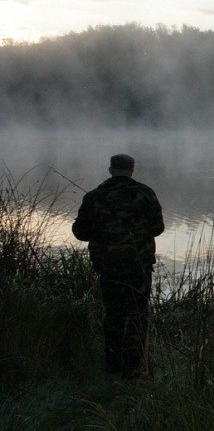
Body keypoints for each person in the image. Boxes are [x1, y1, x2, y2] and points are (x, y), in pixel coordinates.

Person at [72, 154, 164, 378]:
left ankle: (113, 365)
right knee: (137, 312)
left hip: (108, 266)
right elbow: (157, 228)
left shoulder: (94, 197)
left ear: (111, 170)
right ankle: (134, 366)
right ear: (132, 170)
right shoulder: (145, 194)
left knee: (113, 312)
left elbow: (80, 232)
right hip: (139, 265)